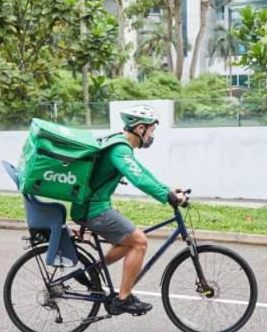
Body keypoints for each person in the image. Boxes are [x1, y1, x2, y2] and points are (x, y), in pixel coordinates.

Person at [71, 104, 187, 315]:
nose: (152, 136)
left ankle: (92, 271)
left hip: (92, 207)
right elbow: (138, 178)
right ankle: (123, 299)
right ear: (141, 128)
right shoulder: (120, 149)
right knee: (139, 241)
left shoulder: (121, 144)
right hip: (94, 210)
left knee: (129, 239)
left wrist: (166, 190)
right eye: (151, 130)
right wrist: (167, 197)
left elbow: (142, 171)